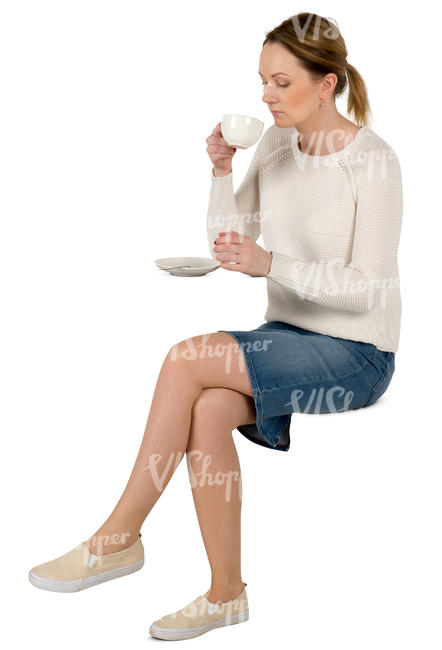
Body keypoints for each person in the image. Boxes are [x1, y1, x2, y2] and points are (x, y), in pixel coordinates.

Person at [28, 12, 402, 642]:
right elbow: (230, 242)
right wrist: (222, 170)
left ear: (327, 83)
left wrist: (272, 264)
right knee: (206, 411)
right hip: (286, 337)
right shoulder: (279, 146)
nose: (265, 96)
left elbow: (370, 288)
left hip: (358, 354)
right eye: (262, 82)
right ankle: (226, 595)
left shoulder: (374, 162)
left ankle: (117, 537)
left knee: (184, 357)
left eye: (282, 83)